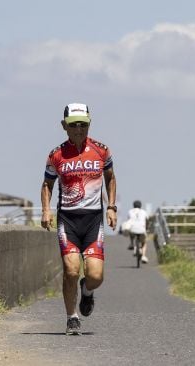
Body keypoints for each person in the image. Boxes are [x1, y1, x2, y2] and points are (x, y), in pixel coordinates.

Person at [41, 102, 117, 335]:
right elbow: (47, 184)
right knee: (71, 270)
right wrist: (46, 210)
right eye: (74, 125)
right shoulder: (56, 155)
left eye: (83, 124)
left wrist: (111, 206)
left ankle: (87, 291)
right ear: (64, 126)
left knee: (95, 276)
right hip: (69, 220)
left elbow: (111, 178)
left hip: (93, 220)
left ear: (89, 124)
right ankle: (71, 317)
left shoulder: (101, 151)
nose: (79, 129)